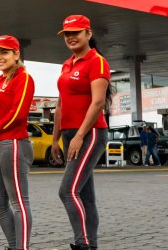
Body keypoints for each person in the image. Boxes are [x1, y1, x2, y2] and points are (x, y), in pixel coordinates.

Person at [50, 15, 110, 250]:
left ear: (88, 33)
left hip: (91, 133)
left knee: (67, 191)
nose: (71, 37)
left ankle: (83, 243)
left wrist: (79, 136)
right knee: (84, 195)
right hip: (68, 133)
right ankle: (90, 243)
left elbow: (97, 103)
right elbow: (60, 105)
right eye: (67, 34)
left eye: (76, 32)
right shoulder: (67, 64)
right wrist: (55, 139)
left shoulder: (97, 61)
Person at [0, 34, 35, 250]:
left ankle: (21, 247)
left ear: (16, 54)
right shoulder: (0, 81)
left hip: (14, 143)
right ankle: (15, 245)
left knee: (19, 202)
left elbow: (18, 112)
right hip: (1, 147)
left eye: (4, 52)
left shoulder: (23, 78)